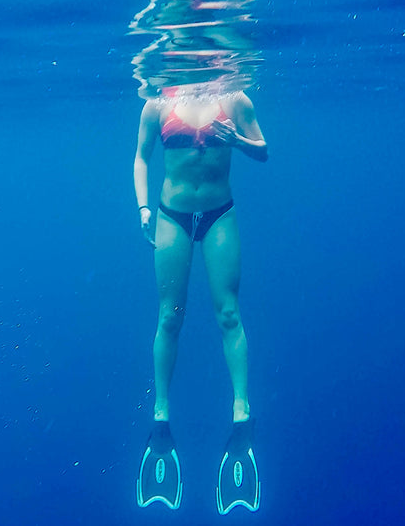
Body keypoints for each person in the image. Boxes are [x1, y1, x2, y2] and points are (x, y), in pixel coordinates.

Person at [132, 84, 267, 513]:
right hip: (171, 214)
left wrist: (238, 141)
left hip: (219, 214)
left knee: (229, 314)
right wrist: (142, 208)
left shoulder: (235, 98)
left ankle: (241, 413)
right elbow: (141, 156)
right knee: (170, 317)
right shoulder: (156, 103)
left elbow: (263, 149)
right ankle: (160, 416)